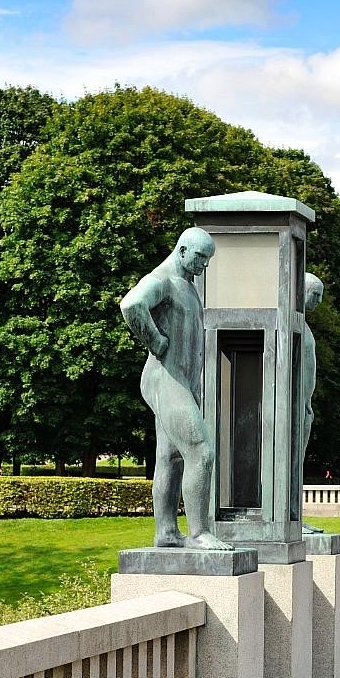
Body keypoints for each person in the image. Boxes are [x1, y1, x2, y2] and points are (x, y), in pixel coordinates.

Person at [122, 229, 231, 551]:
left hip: (181, 381)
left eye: (208, 259)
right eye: (200, 257)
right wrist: (155, 341)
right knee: (201, 451)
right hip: (165, 378)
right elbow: (131, 305)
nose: (204, 265)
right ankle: (198, 533)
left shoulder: (187, 284)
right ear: (182, 250)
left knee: (170, 458)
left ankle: (166, 532)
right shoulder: (162, 280)